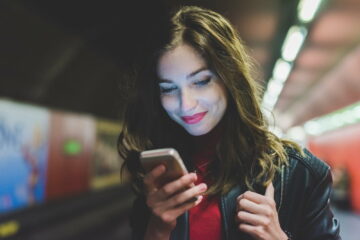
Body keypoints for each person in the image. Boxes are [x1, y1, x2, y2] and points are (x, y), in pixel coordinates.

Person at [118, 6, 341, 240]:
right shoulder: (158, 172)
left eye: (201, 81)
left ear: (229, 78)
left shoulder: (300, 173)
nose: (186, 105)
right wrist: (157, 230)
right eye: (168, 89)